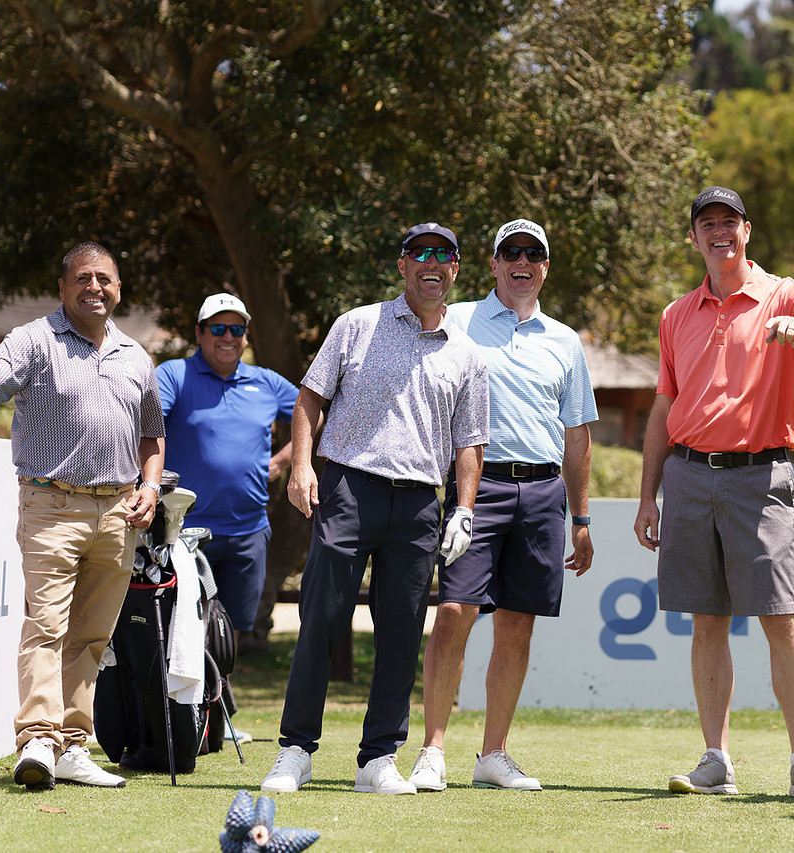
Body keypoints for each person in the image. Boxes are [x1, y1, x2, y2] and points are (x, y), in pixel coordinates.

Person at [633, 187, 794, 799]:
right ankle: (716, 761)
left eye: (729, 221)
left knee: (780, 617)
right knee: (707, 620)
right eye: (707, 223)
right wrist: (648, 496)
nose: (719, 231)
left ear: (746, 231)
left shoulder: (785, 294)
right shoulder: (676, 314)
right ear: (694, 238)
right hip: (688, 475)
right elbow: (664, 407)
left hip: (760, 474)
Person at [260, 222, 489, 796]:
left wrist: (463, 509)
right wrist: (303, 467)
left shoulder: (467, 353)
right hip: (348, 486)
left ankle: (378, 759)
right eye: (420, 253)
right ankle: (295, 750)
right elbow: (310, 399)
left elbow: (470, 442)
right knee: (322, 618)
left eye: (444, 254)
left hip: (418, 503)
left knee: (402, 633)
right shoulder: (357, 324)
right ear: (402, 265)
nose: (432, 263)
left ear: (456, 269)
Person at [0, 241, 165, 790]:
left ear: (118, 288)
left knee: (91, 636)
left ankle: (72, 744)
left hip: (118, 513)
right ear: (63, 287)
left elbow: (152, 434)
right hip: (51, 505)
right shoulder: (35, 339)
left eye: (104, 278)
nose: (94, 287)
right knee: (46, 624)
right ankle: (38, 739)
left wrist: (151, 485)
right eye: (82, 278)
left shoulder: (136, 356)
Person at [409, 218, 598, 793]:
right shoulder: (458, 319)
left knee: (517, 623)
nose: (522, 262)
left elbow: (576, 435)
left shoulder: (564, 341)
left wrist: (581, 518)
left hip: (542, 495)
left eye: (533, 254)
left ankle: (493, 754)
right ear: (492, 264)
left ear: (545, 267)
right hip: (477, 487)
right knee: (454, 612)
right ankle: (432, 751)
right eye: (510, 252)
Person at [156, 293, 303, 743]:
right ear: (199, 333)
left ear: (246, 336)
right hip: (182, 531)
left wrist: (282, 462)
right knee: (179, 626)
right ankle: (175, 717)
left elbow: (312, 415)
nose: (228, 337)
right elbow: (148, 424)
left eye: (236, 329)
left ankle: (217, 718)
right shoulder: (174, 375)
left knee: (228, 630)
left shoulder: (266, 382)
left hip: (247, 530)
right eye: (217, 328)